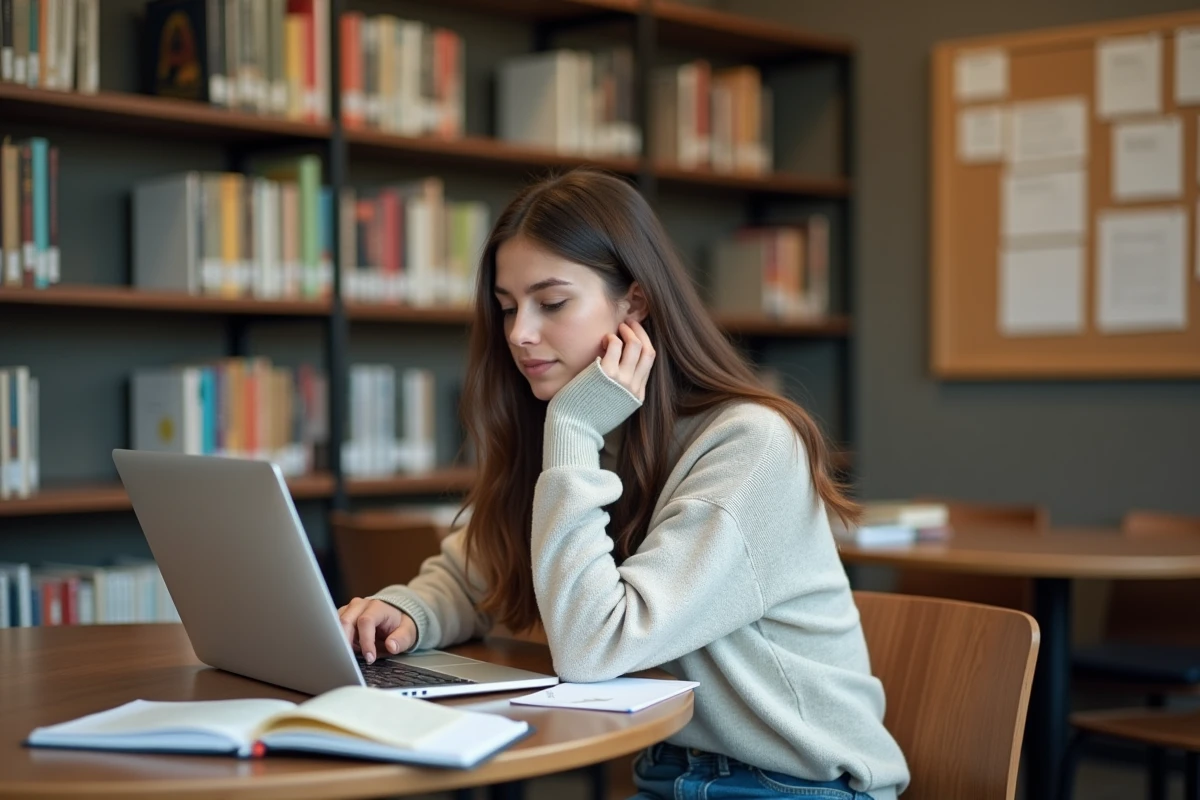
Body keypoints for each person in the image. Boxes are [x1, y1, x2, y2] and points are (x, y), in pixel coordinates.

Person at [337, 169, 909, 800]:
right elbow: (482, 568)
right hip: (669, 774)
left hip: (801, 783)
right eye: (507, 307)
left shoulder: (749, 443)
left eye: (551, 303)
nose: (519, 333)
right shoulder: (588, 428)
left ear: (634, 303)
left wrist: (574, 430)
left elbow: (594, 648)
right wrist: (406, 613)